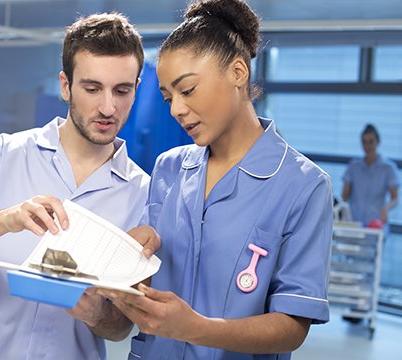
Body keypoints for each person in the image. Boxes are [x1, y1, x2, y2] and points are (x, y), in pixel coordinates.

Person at [0, 13, 154, 360]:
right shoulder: (2, 154)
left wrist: (96, 314)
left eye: (122, 90)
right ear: (66, 85)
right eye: (92, 88)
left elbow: (119, 329)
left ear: (136, 89)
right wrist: (2, 220)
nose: (108, 107)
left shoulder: (143, 193)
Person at [100, 1, 333, 359]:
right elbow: (148, 285)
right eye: (168, 98)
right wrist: (130, 267)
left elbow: (292, 326)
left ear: (238, 72)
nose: (177, 108)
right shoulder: (169, 169)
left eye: (188, 90)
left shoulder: (303, 186)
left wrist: (194, 328)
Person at [342, 124, 399, 232]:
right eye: (364, 142)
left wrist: (386, 209)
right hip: (354, 223)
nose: (367, 146)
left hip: (376, 224)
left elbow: (395, 198)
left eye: (371, 141)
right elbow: (344, 197)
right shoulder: (353, 167)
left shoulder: (388, 168)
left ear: (378, 142)